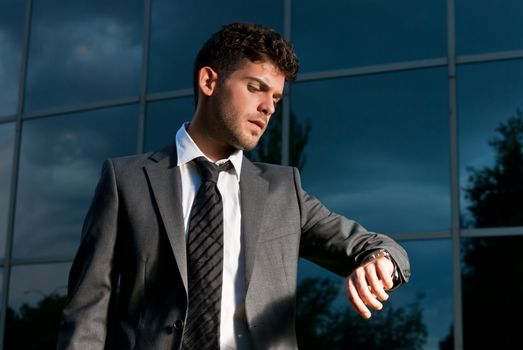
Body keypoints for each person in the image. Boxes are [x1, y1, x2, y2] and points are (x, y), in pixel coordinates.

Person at [57, 22, 410, 350]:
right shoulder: (126, 181)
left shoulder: (283, 192)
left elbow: (379, 246)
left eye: (275, 98)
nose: (267, 108)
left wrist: (379, 261)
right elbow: (88, 309)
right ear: (209, 82)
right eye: (256, 88)